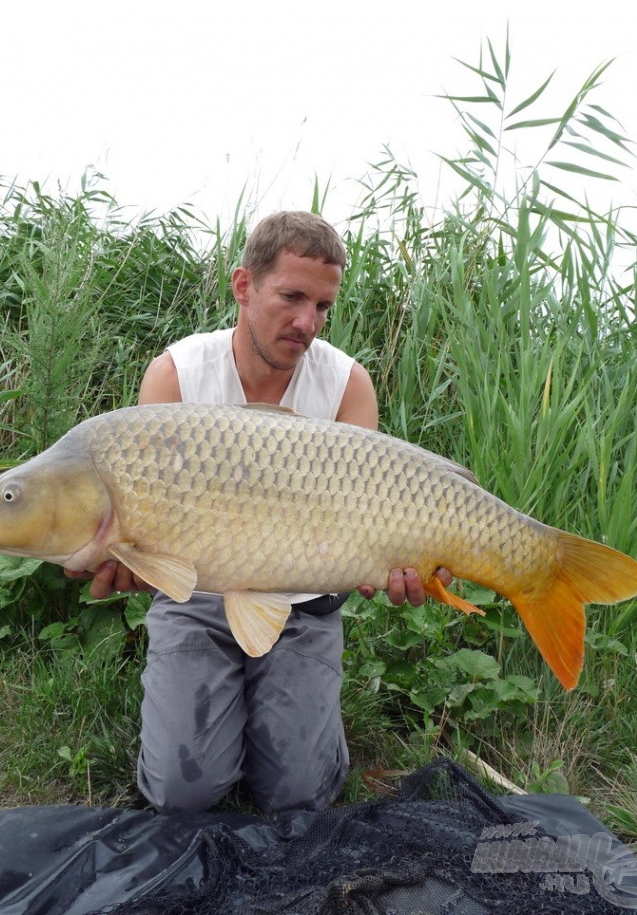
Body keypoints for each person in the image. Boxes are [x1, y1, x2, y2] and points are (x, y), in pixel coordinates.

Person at [66, 210, 450, 815]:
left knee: (298, 796)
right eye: (292, 297)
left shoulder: (347, 384)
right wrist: (123, 558)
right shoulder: (177, 374)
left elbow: (372, 528)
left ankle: (307, 734)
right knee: (181, 793)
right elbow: (142, 536)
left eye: (323, 306)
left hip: (305, 606)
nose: (307, 323)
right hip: (196, 602)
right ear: (244, 286)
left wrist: (407, 566)